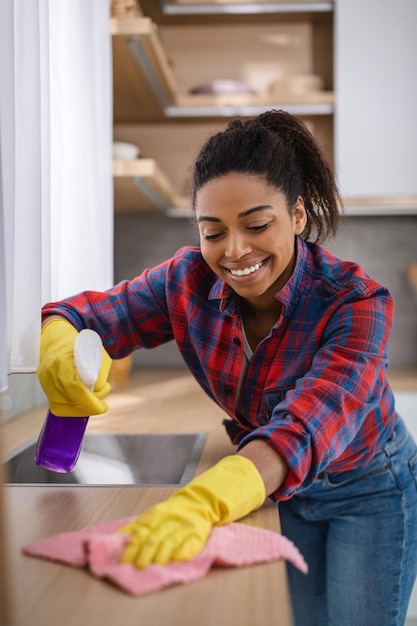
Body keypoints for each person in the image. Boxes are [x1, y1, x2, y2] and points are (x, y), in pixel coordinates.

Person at [37, 110, 417, 626]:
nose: (234, 251)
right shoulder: (185, 280)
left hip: (367, 488)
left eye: (257, 225)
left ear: (298, 216)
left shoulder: (355, 302)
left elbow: (307, 424)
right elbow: (88, 315)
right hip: (275, 486)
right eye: (213, 232)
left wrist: (207, 501)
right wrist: (60, 340)